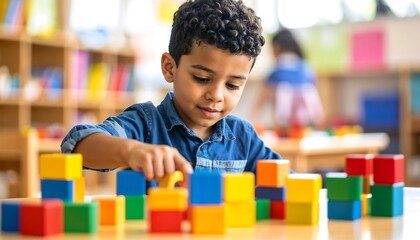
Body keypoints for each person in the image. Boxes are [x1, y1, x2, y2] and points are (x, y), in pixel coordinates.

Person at [61, 0, 284, 181]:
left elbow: (284, 182)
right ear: (170, 68)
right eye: (202, 78)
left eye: (232, 85)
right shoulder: (145, 124)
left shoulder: (243, 137)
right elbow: (79, 145)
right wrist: (132, 152)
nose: (216, 95)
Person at [252, 28, 324, 133]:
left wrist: (251, 122)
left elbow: (259, 103)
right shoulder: (307, 69)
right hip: (307, 126)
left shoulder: (276, 72)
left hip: (283, 127)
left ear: (277, 47)